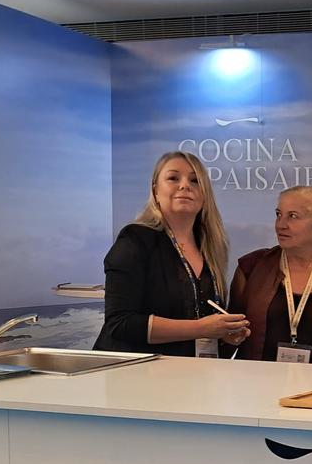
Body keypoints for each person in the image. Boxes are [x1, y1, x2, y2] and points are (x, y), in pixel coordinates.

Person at [95, 151, 249, 357]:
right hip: (134, 372)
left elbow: (198, 321)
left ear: (205, 195)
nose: (185, 185)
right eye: (173, 178)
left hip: (190, 372)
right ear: (155, 191)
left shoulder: (211, 249)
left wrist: (223, 333)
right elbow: (120, 323)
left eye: (195, 181)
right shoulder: (135, 239)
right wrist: (201, 328)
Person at [226, 186, 312, 364]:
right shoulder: (252, 267)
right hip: (258, 379)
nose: (280, 225)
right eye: (278, 214)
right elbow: (227, 338)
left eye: (293, 216)